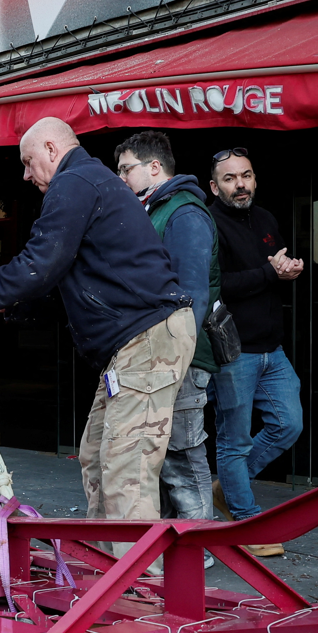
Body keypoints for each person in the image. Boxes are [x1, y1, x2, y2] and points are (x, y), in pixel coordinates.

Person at [0, 118, 195, 526]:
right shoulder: (87, 183)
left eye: (28, 161)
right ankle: (106, 565)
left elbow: (40, 265)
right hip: (134, 343)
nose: (25, 175)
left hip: (145, 340)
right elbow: (55, 283)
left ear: (52, 149)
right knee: (97, 454)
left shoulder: (74, 183)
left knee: (125, 469)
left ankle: (137, 583)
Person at [115, 130, 218, 534]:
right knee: (166, 450)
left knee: (182, 450)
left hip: (179, 357)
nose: (120, 178)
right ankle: (179, 538)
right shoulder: (159, 208)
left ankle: (197, 543)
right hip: (162, 354)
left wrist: (175, 359)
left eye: (126, 169)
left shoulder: (184, 213)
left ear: (154, 167)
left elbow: (192, 296)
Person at [207, 148, 304, 539]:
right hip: (234, 352)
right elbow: (218, 285)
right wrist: (269, 273)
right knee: (234, 440)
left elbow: (275, 268)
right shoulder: (209, 224)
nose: (240, 184)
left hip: (272, 349)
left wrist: (290, 269)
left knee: (289, 425)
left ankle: (229, 488)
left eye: (246, 175)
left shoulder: (265, 219)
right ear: (214, 187)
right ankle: (246, 522)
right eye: (230, 179)